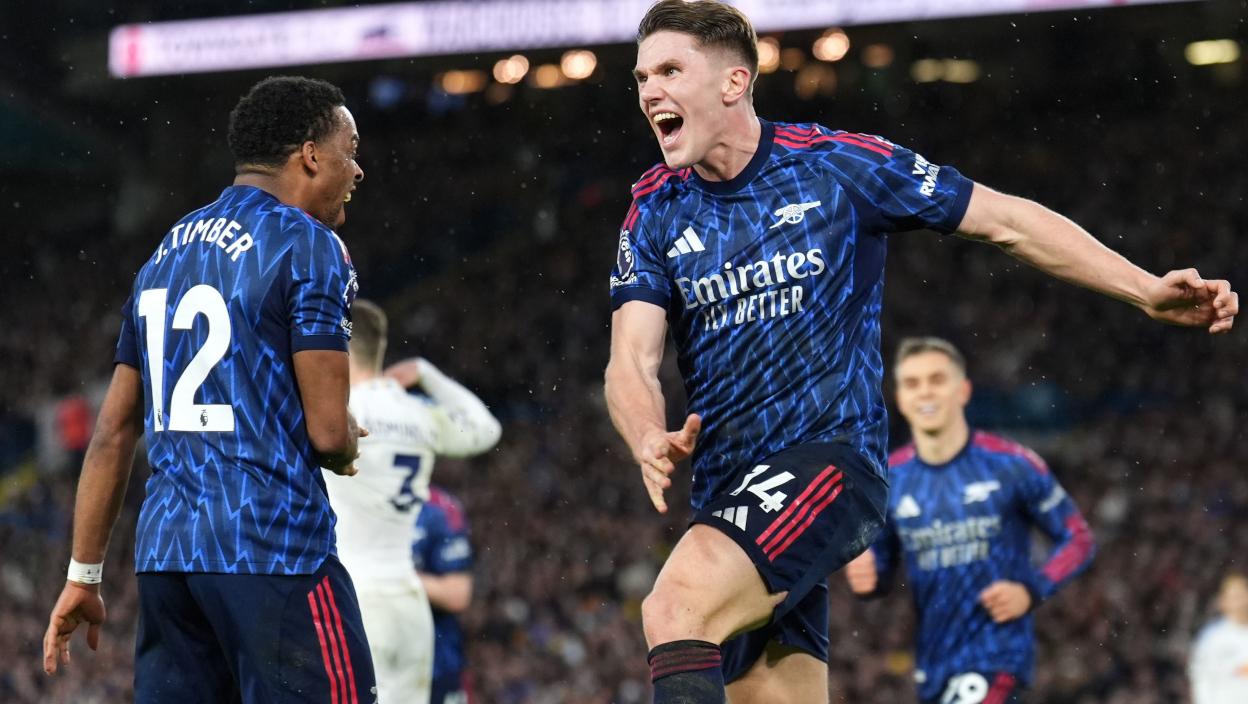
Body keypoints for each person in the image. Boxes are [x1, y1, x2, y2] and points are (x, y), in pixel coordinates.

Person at [602, 1, 1238, 701]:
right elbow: (630, 359)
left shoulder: (838, 166)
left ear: (734, 82)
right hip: (731, 496)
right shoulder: (654, 208)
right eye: (642, 78)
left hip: (829, 462)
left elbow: (1005, 221)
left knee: (675, 608)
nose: (650, 91)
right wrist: (646, 433)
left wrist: (1143, 289)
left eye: (669, 70)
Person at [42, 75, 377, 703]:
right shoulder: (310, 244)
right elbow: (330, 434)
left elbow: (113, 430)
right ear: (310, 155)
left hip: (169, 563)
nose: (356, 169)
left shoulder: (164, 255)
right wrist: (346, 444)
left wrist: (84, 575)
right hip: (273, 549)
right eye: (349, 150)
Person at [844, 337, 1095, 703]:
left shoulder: (1010, 464)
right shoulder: (891, 479)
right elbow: (880, 567)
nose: (925, 392)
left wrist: (1032, 589)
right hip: (933, 664)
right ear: (899, 398)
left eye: (936, 380)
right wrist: (868, 574)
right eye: (912, 383)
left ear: (963, 390)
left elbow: (1077, 538)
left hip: (996, 655)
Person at [323, 299, 499, 704]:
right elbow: (485, 429)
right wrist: (426, 373)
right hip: (408, 604)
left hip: (355, 598)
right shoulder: (415, 412)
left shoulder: (338, 413)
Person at [412, 485, 477, 704]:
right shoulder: (345, 499)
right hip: (370, 657)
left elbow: (458, 594)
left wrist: (393, 576)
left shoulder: (438, 508)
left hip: (434, 667)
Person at [1189, 573, 1248, 704]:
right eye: (1234, 597)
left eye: (1243, 595)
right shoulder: (1212, 638)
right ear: (1223, 601)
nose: (1240, 602)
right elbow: (1201, 678)